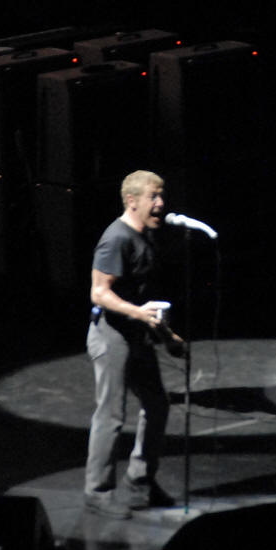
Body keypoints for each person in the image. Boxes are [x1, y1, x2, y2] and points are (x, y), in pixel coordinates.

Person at [84, 170, 183, 519]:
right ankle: (97, 493)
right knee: (111, 414)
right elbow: (99, 292)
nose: (160, 204)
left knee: (157, 404)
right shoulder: (116, 238)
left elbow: (141, 298)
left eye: (161, 196)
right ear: (132, 201)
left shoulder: (146, 237)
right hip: (111, 336)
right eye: (153, 197)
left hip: (136, 334)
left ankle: (140, 481)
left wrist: (167, 338)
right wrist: (138, 315)